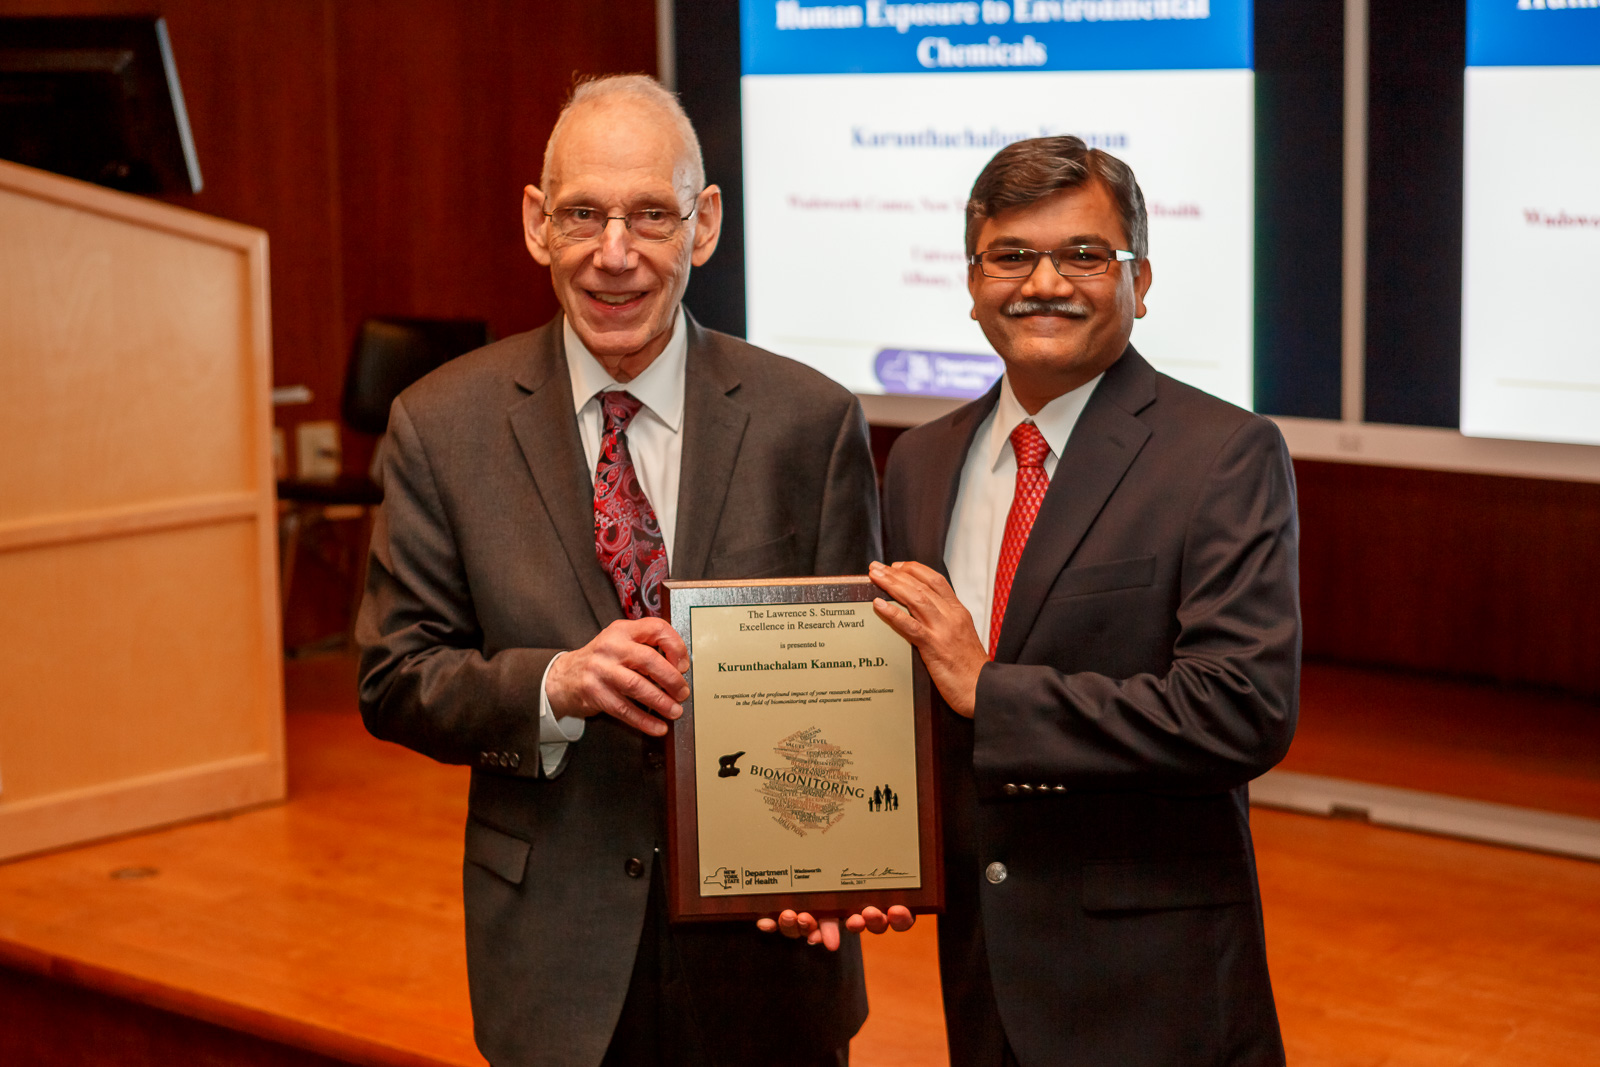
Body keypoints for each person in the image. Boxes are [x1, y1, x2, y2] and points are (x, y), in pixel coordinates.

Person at [356, 75, 879, 1067]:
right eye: (584, 214)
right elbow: (393, 676)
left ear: (704, 223)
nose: (615, 254)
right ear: (535, 223)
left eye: (650, 214)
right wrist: (553, 683)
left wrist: (840, 861)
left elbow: (852, 681)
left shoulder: (810, 421)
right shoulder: (440, 424)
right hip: (553, 950)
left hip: (770, 945)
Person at [788, 135, 1299, 1064]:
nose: (1043, 282)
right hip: (984, 971)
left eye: (1084, 255)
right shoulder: (923, 460)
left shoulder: (1223, 454)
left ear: (1140, 280)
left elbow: (1241, 709)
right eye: (1012, 256)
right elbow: (907, 711)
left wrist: (990, 688)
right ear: (974, 279)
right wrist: (842, 855)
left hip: (1156, 986)